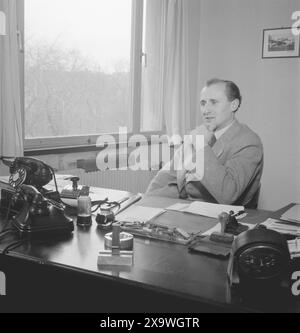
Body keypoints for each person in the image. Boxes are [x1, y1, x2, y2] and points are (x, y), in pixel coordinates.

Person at [145, 78, 264, 208]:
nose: (206, 110)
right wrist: (146, 204)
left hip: (222, 219)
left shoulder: (248, 141)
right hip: (183, 209)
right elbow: (166, 177)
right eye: (203, 103)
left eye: (214, 102)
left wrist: (201, 146)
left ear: (233, 105)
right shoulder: (199, 133)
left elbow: (228, 194)